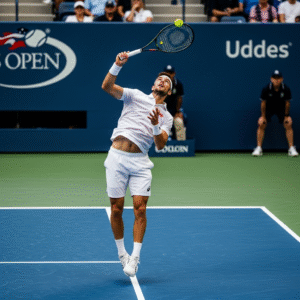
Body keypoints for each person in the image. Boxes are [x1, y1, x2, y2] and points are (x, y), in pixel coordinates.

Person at [101, 52, 173, 277]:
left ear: (168, 92)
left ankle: (135, 257)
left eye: (167, 81)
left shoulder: (167, 117)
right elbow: (107, 86)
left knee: (140, 208)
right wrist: (116, 65)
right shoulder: (134, 95)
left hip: (141, 162)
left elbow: (160, 145)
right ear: (153, 85)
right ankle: (122, 253)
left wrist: (154, 126)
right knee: (116, 208)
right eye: (159, 79)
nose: (162, 81)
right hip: (117, 157)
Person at [252, 70, 299, 157]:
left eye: (278, 78)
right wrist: (263, 116)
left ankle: (291, 148)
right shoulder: (266, 89)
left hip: (281, 109)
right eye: (274, 78)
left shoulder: (286, 89)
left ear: (282, 79)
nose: (276, 80)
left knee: (288, 123)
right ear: (271, 79)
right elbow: (263, 103)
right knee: (261, 123)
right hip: (269, 109)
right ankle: (258, 148)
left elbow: (287, 103)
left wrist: (286, 116)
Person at [163, 65, 186, 140]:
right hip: (162, 112)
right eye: (167, 72)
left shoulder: (178, 84)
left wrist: (178, 112)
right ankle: (157, 148)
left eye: (171, 72)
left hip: (174, 112)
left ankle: (182, 146)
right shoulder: (160, 84)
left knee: (179, 122)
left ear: (174, 73)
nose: (169, 74)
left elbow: (179, 99)